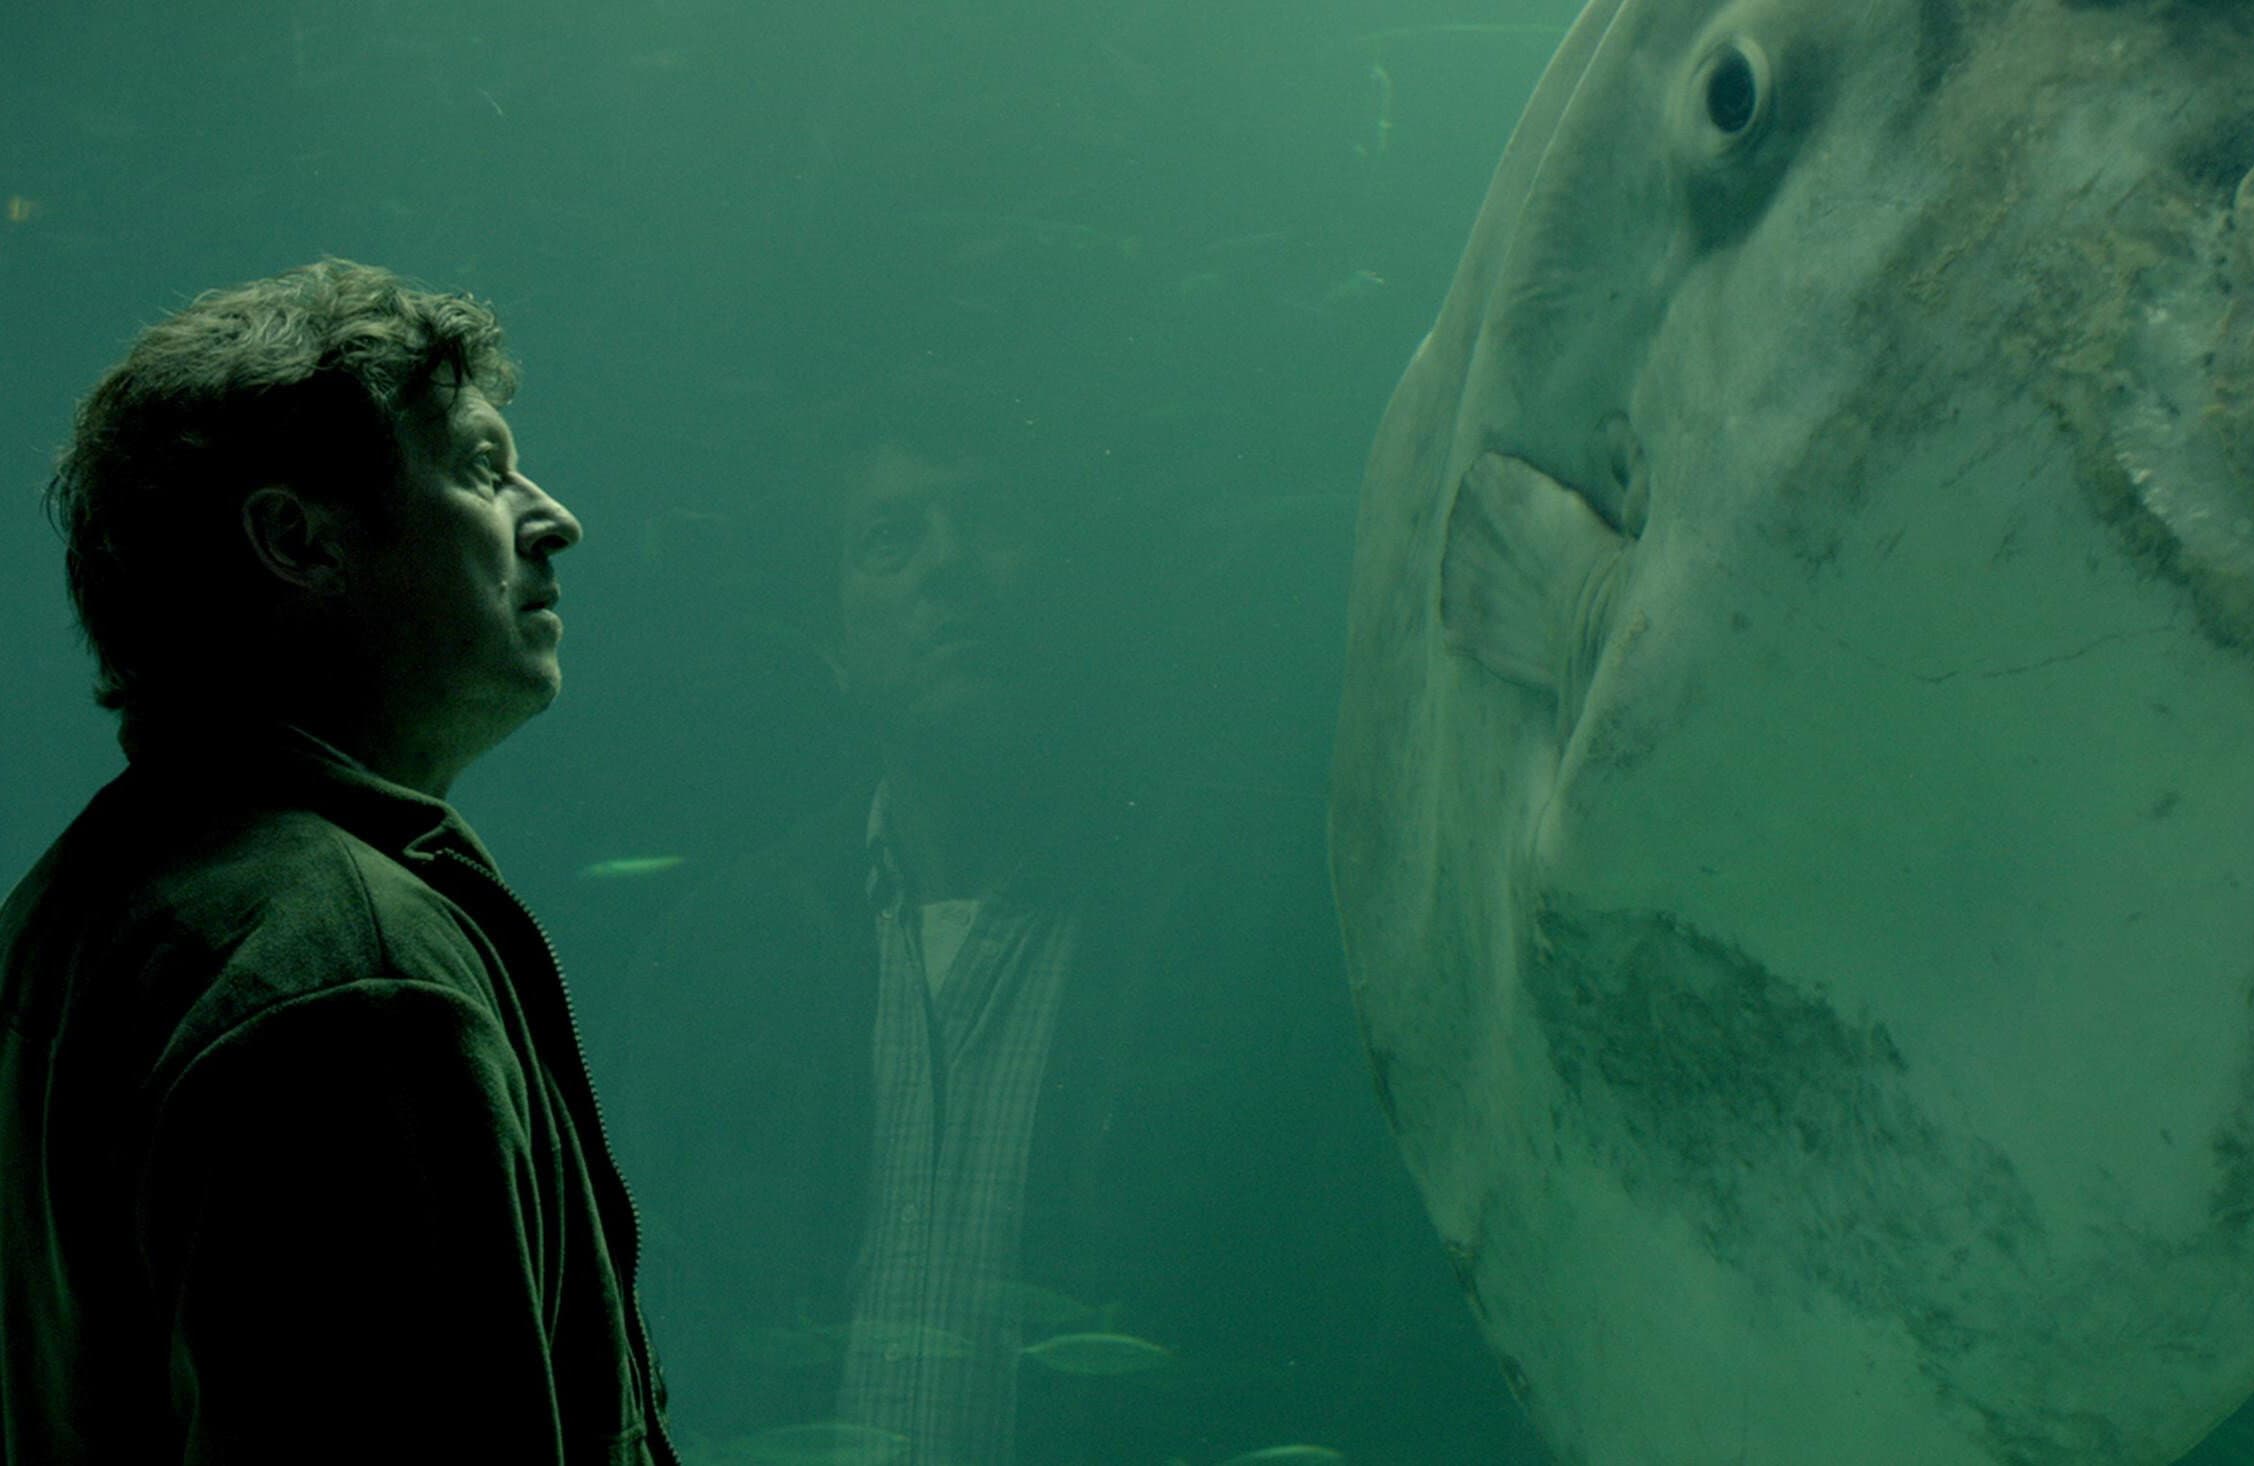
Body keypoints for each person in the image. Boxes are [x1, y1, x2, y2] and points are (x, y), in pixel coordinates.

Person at [601, 401, 1543, 1466]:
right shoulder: (714, 959)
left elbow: (1379, 1325)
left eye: (988, 520)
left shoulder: (1254, 931)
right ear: (831, 637)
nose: (945, 566)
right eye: (888, 537)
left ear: (1068, 582)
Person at [0, 259, 677, 1464]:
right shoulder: (356, 977)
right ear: (298, 538)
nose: (552, 514)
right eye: (478, 467)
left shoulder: (56, 922)